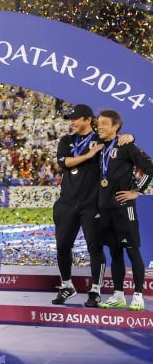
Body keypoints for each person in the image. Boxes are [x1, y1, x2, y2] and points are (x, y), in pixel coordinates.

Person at [51, 104, 132, 307]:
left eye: (76, 119)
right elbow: (64, 162)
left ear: (88, 120)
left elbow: (121, 141)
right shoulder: (66, 140)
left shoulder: (102, 140)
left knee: (94, 247)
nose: (72, 122)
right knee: (62, 246)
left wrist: (130, 138)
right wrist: (88, 155)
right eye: (71, 119)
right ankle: (67, 285)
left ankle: (95, 290)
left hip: (92, 204)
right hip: (67, 202)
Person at [94, 110, 153, 311]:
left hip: (123, 209)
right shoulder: (99, 146)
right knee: (115, 252)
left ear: (115, 126)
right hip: (104, 209)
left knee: (132, 251)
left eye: (103, 123)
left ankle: (138, 295)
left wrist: (137, 191)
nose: (99, 126)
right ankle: (118, 295)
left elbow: (150, 167)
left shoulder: (126, 145)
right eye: (98, 123)